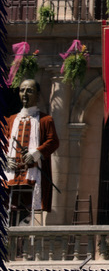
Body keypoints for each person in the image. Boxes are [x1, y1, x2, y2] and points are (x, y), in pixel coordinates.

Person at [3, 79, 60, 222]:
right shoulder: (10, 120)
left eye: (29, 90)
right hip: (11, 173)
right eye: (22, 90)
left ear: (38, 95)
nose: (25, 94)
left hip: (33, 173)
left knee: (33, 210)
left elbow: (53, 141)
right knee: (8, 210)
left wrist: (35, 153)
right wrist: (5, 160)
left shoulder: (46, 120)